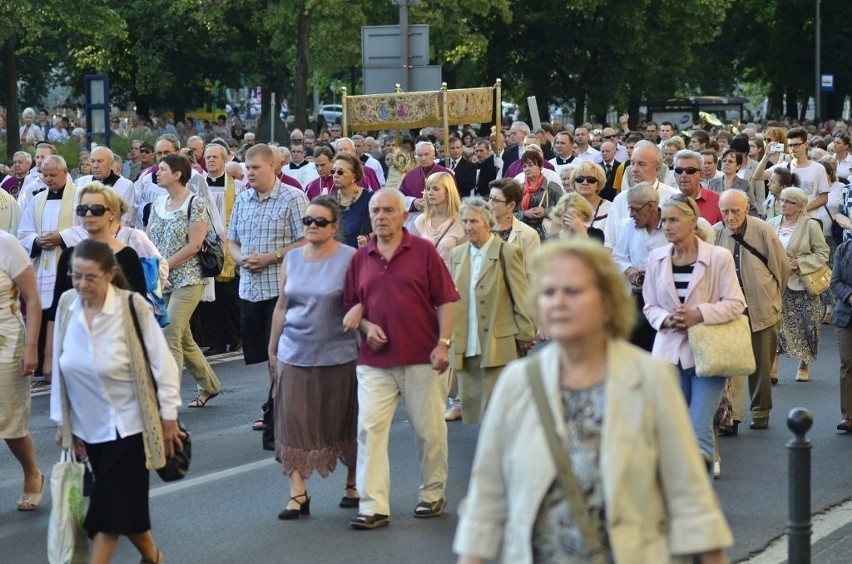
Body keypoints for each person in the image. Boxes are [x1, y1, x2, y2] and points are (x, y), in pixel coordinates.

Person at [454, 239, 733, 563]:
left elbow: (689, 495)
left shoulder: (650, 379)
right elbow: (486, 495)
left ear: (607, 303)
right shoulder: (517, 382)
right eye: (547, 292)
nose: (557, 302)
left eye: (572, 291)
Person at [50, 239, 182, 564]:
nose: (81, 284)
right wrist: (61, 421)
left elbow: (162, 365)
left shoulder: (131, 307)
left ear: (110, 274)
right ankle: (153, 558)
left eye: (90, 277)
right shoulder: (68, 304)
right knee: (122, 505)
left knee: (106, 512)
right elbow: (60, 365)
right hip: (88, 429)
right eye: (75, 276)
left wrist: (168, 419)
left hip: (130, 426)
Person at [342, 189, 460, 530]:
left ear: (401, 215)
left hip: (422, 357)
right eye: (376, 210)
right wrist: (365, 325)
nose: (380, 216)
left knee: (428, 431)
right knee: (369, 429)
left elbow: (446, 300)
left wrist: (444, 344)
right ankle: (373, 505)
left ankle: (432, 494)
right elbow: (351, 305)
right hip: (374, 361)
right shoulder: (361, 257)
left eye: (388, 210)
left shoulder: (423, 251)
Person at [267, 197, 360, 520]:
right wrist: (273, 346)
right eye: (308, 221)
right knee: (293, 423)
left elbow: (365, 300)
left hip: (340, 353)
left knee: (344, 421)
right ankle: (298, 493)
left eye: (320, 221)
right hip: (295, 352)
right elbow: (282, 305)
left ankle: (352, 483)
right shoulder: (291, 259)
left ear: (335, 226)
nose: (312, 227)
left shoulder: (351, 258)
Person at [643, 193, 747, 465]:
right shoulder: (656, 257)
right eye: (663, 220)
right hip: (668, 353)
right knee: (673, 431)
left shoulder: (718, 257)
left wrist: (698, 314)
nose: (666, 226)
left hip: (708, 354)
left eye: (673, 220)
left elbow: (736, 303)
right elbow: (649, 305)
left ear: (692, 222)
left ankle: (701, 502)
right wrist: (666, 319)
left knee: (699, 427)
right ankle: (680, 498)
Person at [45, 183, 151, 380]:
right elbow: (56, 309)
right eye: (82, 210)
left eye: (96, 209)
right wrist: (49, 357)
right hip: (76, 350)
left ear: (111, 213)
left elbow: (139, 309)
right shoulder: (69, 255)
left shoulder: (126, 256)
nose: (88, 215)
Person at [449, 196, 535, 424]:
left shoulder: (507, 252)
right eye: (465, 221)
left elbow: (522, 297)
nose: (468, 227)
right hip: (468, 341)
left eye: (474, 222)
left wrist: (526, 333)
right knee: (477, 410)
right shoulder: (456, 255)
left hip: (499, 343)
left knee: (503, 409)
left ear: (488, 223)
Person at [147, 154, 221, 407]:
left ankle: (167, 397)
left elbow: (195, 244)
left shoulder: (195, 202)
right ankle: (210, 386)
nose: (157, 172)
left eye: (163, 169)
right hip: (162, 280)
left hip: (189, 278)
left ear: (178, 174)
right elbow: (149, 243)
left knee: (170, 331)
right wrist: (157, 271)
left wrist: (164, 267)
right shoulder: (157, 203)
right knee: (184, 337)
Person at [714, 189, 789, 433]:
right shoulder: (716, 233)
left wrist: (773, 296)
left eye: (735, 210)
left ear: (746, 208)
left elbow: (781, 267)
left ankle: (760, 411)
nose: (730, 215)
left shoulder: (763, 230)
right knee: (732, 364)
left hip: (761, 305)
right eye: (725, 211)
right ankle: (732, 416)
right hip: (730, 310)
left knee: (761, 364)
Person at [767, 187, 830, 383]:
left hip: (801, 284)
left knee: (805, 324)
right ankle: (773, 364)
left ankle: (804, 363)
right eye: (782, 200)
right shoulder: (771, 224)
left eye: (789, 201)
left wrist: (799, 264)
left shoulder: (810, 225)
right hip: (776, 283)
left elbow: (822, 254)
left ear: (801, 206)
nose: (783, 204)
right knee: (776, 325)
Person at [0, 230, 43, 511]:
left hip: (7, 347)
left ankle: (32, 473)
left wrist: (32, 347)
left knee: (10, 425)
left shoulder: (5, 243)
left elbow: (33, 298)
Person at [487, 179, 540, 279]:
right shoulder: (481, 228)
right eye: (489, 198)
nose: (489, 203)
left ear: (511, 206)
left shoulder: (528, 235)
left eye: (496, 200)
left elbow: (533, 275)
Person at [413, 171, 466, 264]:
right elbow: (413, 255)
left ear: (447, 192)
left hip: (450, 276)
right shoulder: (421, 220)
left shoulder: (461, 222)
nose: (430, 193)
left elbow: (463, 261)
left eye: (436, 189)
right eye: (428, 189)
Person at [516, 149, 562, 240]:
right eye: (524, 166)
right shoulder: (518, 189)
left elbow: (564, 211)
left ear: (540, 166)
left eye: (531, 165)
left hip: (547, 238)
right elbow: (509, 214)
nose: (527, 169)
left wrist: (546, 212)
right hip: (522, 235)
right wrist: (525, 214)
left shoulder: (552, 187)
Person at [330, 154, 373, 248]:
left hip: (360, 258)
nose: (335, 175)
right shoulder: (328, 201)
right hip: (334, 259)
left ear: (354, 176)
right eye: (333, 171)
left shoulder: (371, 199)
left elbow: (388, 229)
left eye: (340, 172)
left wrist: (368, 238)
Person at [831, 238, 852, 432]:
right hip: (845, 315)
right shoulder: (844, 249)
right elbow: (835, 282)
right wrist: (850, 296)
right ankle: (848, 417)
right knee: (848, 363)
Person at [570, 161, 611, 233]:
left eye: (590, 180)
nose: (585, 183)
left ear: (599, 184)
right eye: (580, 179)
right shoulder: (566, 207)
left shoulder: (610, 208)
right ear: (574, 183)